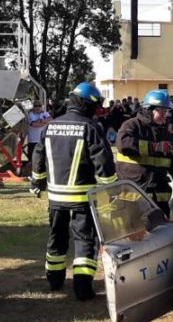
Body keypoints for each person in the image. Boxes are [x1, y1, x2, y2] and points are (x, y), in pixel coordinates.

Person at [30, 82, 117, 300]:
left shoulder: (51, 126)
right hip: (83, 198)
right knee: (85, 240)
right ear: (88, 104)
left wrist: (37, 182)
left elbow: (38, 156)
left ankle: (54, 280)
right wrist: (110, 188)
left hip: (55, 197)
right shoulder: (90, 127)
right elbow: (103, 161)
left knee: (56, 237)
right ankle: (82, 288)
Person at [115, 89, 173, 218]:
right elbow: (124, 144)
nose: (165, 115)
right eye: (161, 111)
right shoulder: (132, 125)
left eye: (166, 112)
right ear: (149, 110)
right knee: (135, 230)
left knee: (163, 229)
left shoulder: (165, 133)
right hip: (133, 198)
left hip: (159, 199)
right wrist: (154, 147)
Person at [25, 100, 51, 173]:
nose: (38, 107)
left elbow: (51, 120)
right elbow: (34, 125)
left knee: (43, 158)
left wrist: (41, 121)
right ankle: (30, 173)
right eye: (36, 106)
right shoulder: (30, 115)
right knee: (32, 159)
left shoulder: (45, 113)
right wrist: (45, 122)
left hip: (43, 140)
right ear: (33, 107)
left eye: (39, 106)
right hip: (32, 141)